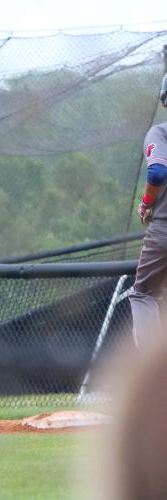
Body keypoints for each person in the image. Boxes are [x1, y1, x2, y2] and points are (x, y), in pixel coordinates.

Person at [129, 73, 167, 346]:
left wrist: (146, 203)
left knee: (143, 294)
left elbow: (157, 172)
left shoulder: (160, 132)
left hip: (164, 230)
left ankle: (156, 375)